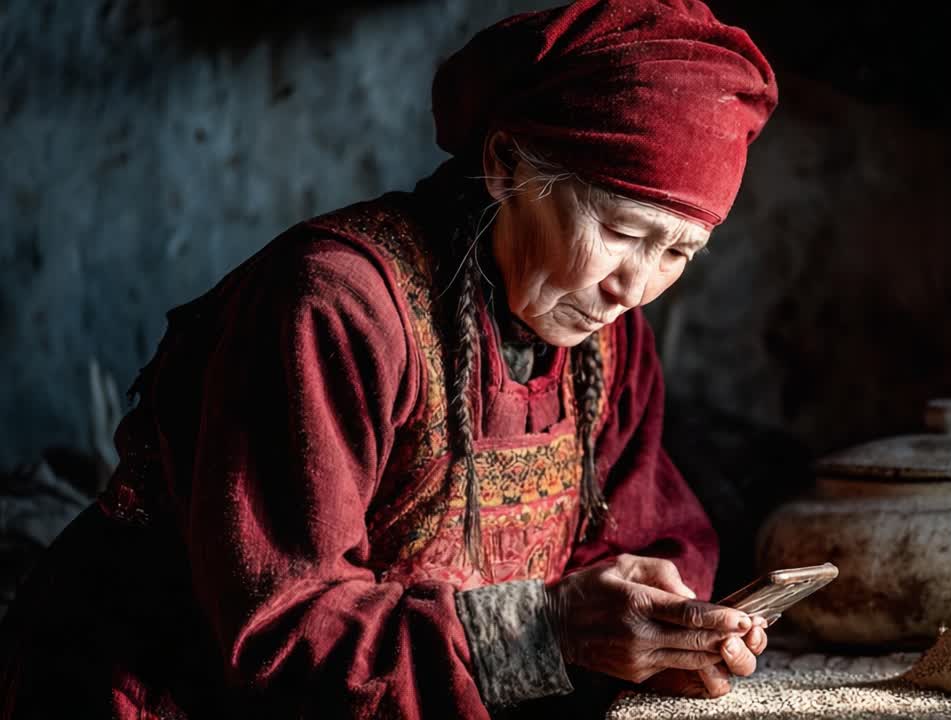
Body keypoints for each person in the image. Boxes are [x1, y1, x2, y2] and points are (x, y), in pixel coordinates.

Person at [0, 0, 777, 717]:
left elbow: (647, 538)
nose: (634, 287)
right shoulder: (335, 306)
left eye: (680, 251)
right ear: (507, 166)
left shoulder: (603, 335)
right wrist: (545, 629)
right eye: (622, 231)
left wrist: (671, 629)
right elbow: (281, 630)